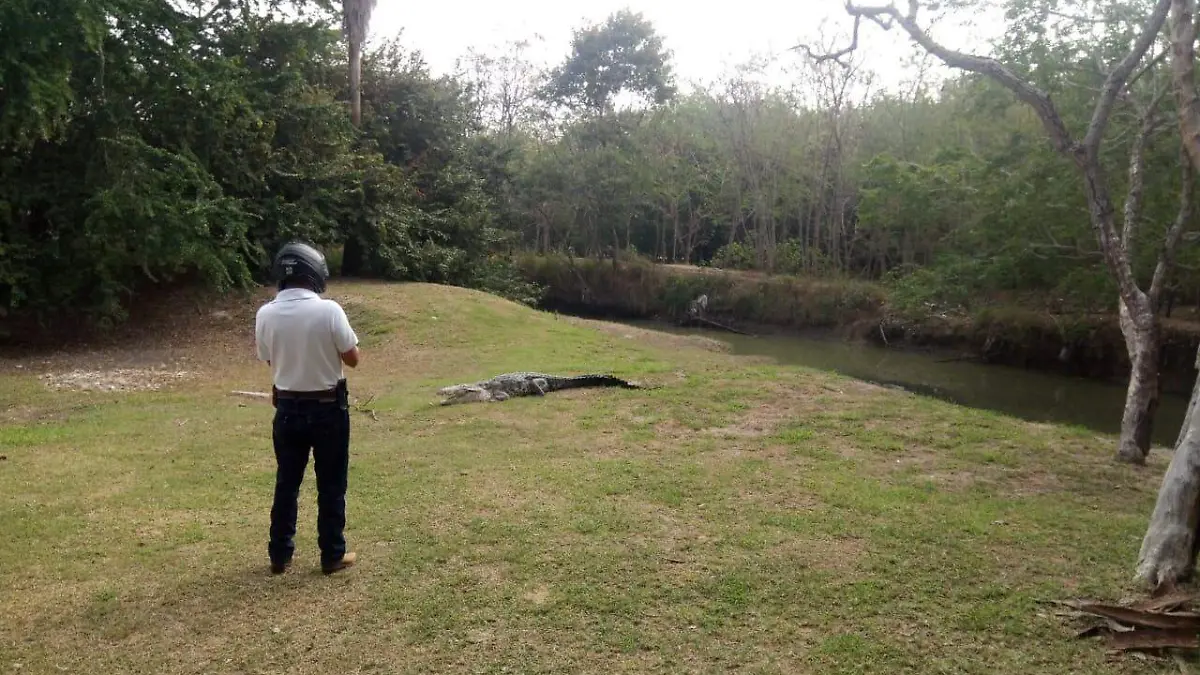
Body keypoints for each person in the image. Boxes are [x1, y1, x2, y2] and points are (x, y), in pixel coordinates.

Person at [254, 241, 361, 575]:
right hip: (328, 407)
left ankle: (279, 554)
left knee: (287, 482)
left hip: (286, 408)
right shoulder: (329, 311)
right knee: (330, 483)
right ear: (314, 273)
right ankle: (332, 554)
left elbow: (270, 359)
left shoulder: (266, 314)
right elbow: (353, 358)